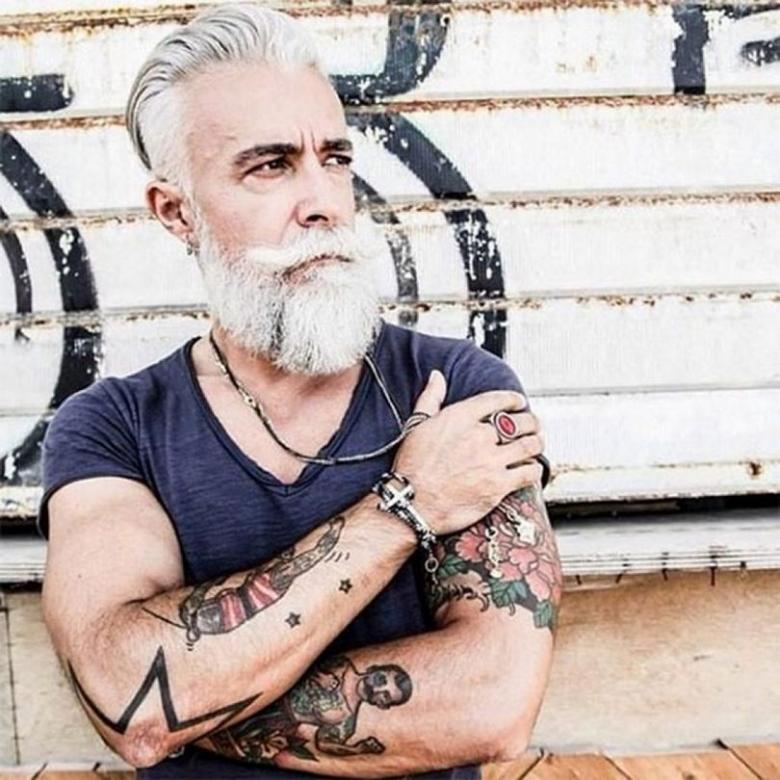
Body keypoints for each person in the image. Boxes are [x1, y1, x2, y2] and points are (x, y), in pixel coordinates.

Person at [39, 5, 562, 779]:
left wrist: (195, 700)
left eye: (335, 158)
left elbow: (493, 704)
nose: (324, 201)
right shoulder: (113, 428)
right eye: (271, 166)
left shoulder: (458, 389)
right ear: (177, 212)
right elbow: (129, 689)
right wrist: (405, 508)